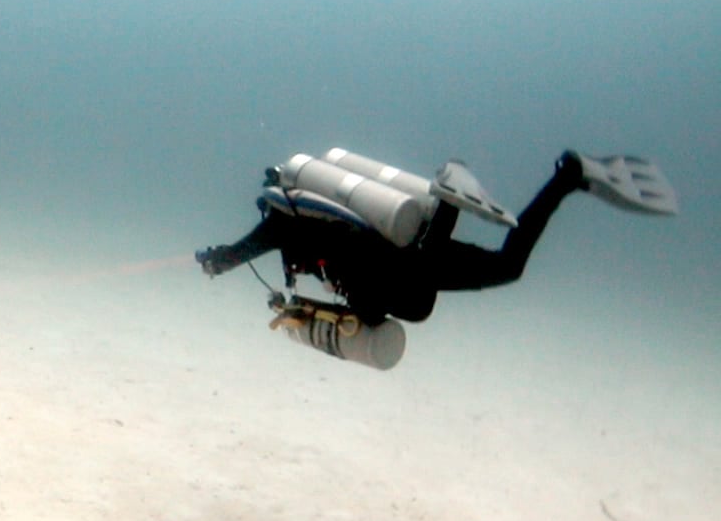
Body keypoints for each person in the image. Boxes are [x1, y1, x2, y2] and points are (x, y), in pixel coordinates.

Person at [195, 149, 676, 367]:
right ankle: (567, 176)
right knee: (506, 267)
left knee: (404, 296)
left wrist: (214, 260)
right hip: (412, 247)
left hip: (398, 265)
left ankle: (449, 201)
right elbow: (237, 254)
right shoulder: (296, 215)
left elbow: (239, 254)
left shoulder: (283, 221)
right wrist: (218, 259)